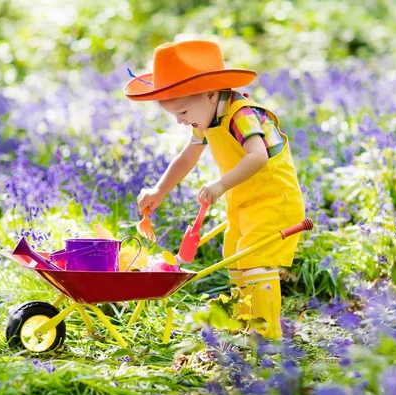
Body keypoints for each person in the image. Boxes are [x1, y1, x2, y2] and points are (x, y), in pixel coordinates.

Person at [125, 40, 305, 339]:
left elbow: (258, 156)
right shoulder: (208, 116)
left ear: (210, 93)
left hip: (275, 200)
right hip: (244, 201)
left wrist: (220, 185)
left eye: (182, 111)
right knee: (235, 261)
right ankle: (246, 325)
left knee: (256, 264)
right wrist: (159, 189)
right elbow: (187, 157)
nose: (181, 121)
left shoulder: (241, 114)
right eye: (175, 116)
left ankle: (267, 336)